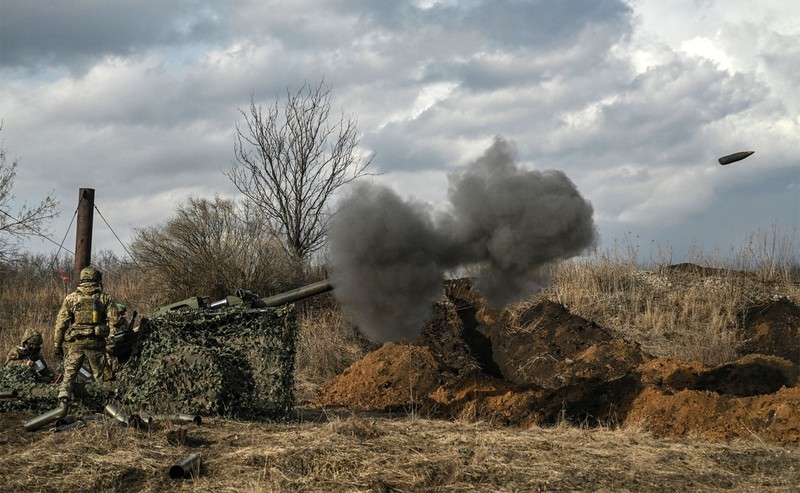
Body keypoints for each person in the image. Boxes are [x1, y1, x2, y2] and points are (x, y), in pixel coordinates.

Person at [53, 266, 123, 404]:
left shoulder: (71, 299)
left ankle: (63, 404)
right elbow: (115, 321)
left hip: (75, 344)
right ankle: (103, 406)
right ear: (97, 279)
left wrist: (57, 345)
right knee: (99, 378)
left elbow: (61, 324)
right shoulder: (104, 298)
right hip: (96, 344)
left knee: (69, 377)